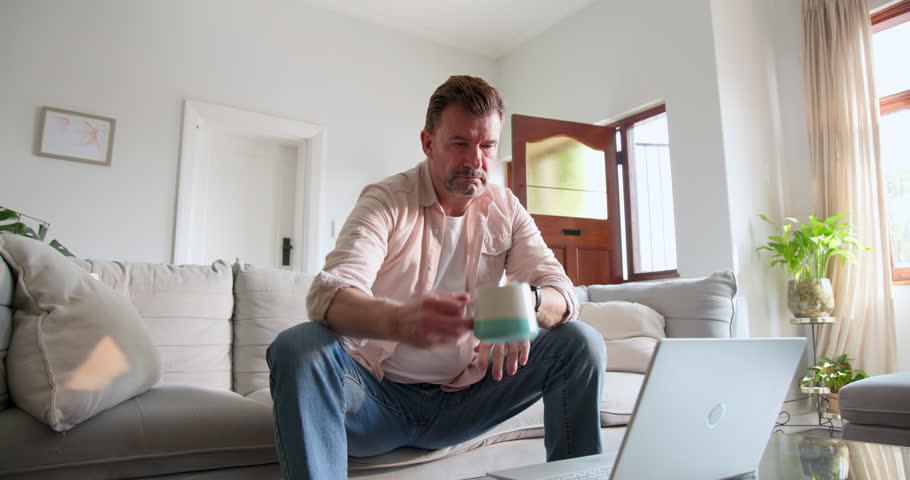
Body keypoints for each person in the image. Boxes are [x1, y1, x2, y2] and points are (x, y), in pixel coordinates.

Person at [267, 75, 607, 479]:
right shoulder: (386, 200)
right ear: (428, 143)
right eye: (460, 143)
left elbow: (563, 294)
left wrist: (524, 303)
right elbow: (328, 295)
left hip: (465, 401)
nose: (475, 160)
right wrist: (397, 321)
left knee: (580, 342)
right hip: (377, 401)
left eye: (487, 146)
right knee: (298, 346)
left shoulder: (505, 206)